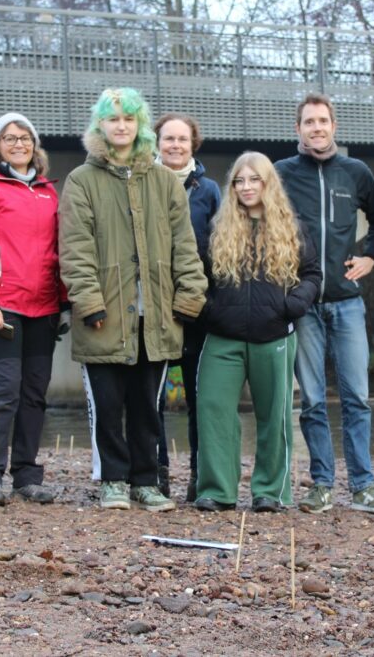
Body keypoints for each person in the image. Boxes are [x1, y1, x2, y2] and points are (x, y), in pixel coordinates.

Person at [60, 87, 207, 513]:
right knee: (108, 404)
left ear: (140, 125)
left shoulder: (163, 181)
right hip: (105, 315)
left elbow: (185, 245)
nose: (121, 125)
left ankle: (146, 480)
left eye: (128, 118)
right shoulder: (82, 181)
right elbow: (75, 248)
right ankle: (113, 481)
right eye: (113, 118)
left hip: (157, 313)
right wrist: (88, 302)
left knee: (147, 404)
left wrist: (189, 297)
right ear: (100, 125)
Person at [274, 93, 374, 515]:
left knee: (357, 396)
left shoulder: (355, 172)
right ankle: (322, 483)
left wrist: (371, 256)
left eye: (323, 121)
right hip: (302, 303)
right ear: (298, 129)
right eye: (309, 122)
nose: (317, 128)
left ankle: (363, 485)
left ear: (334, 126)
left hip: (346, 302)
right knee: (311, 399)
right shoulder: (281, 173)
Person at [194, 152, 321, 513]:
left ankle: (271, 491)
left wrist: (292, 307)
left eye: (255, 180)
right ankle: (218, 490)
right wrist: (209, 311)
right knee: (213, 410)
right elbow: (198, 278)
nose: (247, 187)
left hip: (275, 336)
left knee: (275, 415)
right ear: (232, 186)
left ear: (269, 184)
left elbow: (312, 275)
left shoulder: (292, 227)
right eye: (240, 180)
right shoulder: (218, 229)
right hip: (222, 336)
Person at [0, 113, 69, 508]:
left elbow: (59, 252)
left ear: (35, 145)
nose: (19, 143)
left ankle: (26, 475)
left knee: (34, 394)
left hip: (43, 306)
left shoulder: (47, 192)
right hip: (2, 307)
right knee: (4, 392)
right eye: (9, 138)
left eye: (25, 138)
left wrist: (64, 301)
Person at [152, 112, 222, 502]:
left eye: (182, 139)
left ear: (193, 144)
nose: (175, 146)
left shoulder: (210, 190)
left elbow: (219, 249)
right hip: (155, 309)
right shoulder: (145, 183)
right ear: (157, 143)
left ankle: (200, 474)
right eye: (168, 139)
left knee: (199, 396)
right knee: (153, 397)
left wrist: (210, 299)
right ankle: (157, 472)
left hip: (197, 309)